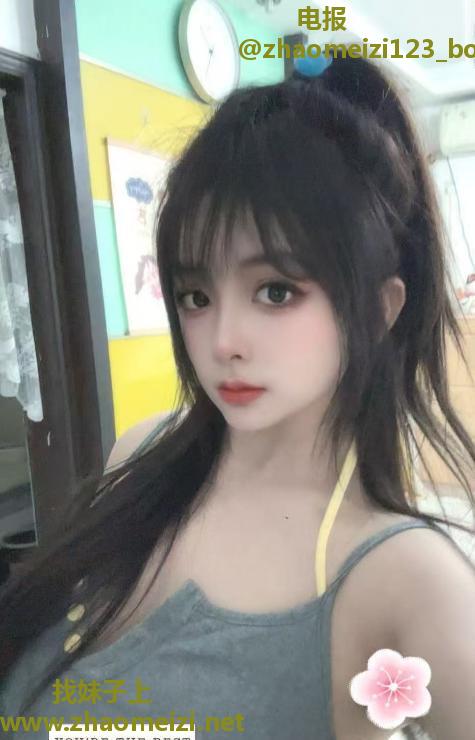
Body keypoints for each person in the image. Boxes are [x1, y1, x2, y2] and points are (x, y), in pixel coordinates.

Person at [0, 47, 474, 740]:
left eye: (275, 291)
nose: (222, 340)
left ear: (379, 309)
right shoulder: (144, 451)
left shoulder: (404, 579)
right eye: (195, 294)